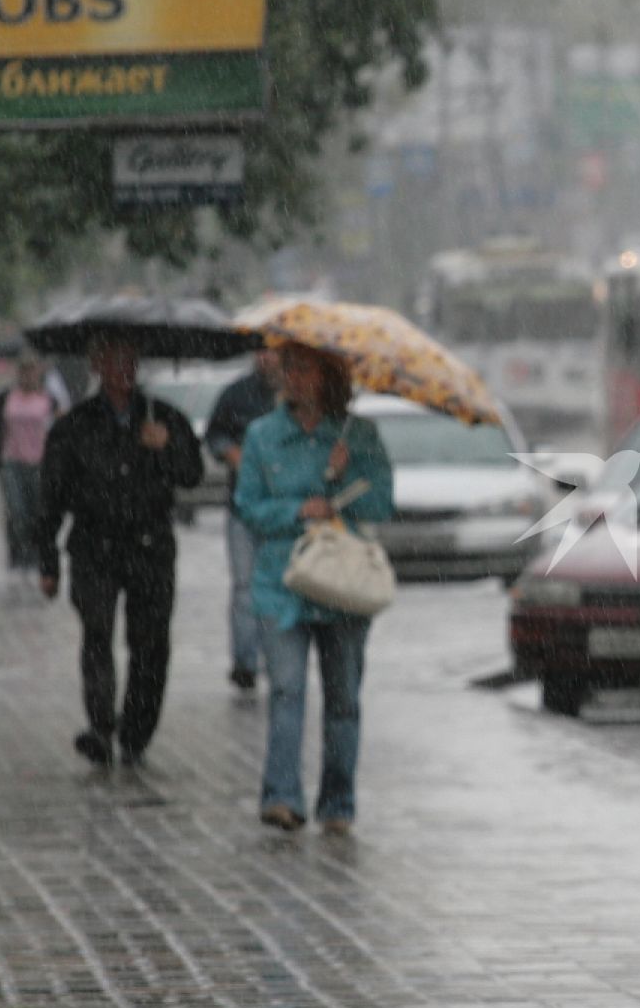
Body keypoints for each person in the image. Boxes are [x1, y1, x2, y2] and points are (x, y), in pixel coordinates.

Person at [234, 345, 393, 835]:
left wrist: (350, 474)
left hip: (342, 586)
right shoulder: (263, 436)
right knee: (286, 691)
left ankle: (338, 803)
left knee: (343, 699)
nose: (295, 378)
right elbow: (248, 507)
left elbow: (382, 505)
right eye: (290, 368)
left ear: (329, 377)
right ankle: (281, 796)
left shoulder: (359, 435)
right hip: (282, 585)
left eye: (306, 369)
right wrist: (299, 511)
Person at [36, 335, 205, 766]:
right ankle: (99, 724)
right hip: (94, 545)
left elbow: (192, 474)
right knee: (97, 633)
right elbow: (51, 494)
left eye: (129, 359)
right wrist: (48, 560)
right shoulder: (74, 426)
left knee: (150, 643)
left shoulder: (163, 417)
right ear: (96, 364)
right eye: (112, 359)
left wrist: (166, 446)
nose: (121, 368)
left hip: (150, 546)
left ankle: (136, 730)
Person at [204, 348, 282, 691]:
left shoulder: (296, 396)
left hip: (283, 510)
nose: (267, 359)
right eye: (262, 352)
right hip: (243, 508)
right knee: (245, 587)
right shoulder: (236, 395)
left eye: (275, 353)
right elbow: (214, 436)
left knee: (280, 585)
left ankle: (277, 655)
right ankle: (245, 661)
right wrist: (232, 453)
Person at [0, 354, 62, 583]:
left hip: (39, 462)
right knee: (16, 510)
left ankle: (34, 555)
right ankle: (18, 556)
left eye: (31, 371)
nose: (27, 376)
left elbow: (64, 426)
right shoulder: (6, 397)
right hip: (11, 462)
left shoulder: (48, 399)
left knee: (35, 510)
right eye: (23, 371)